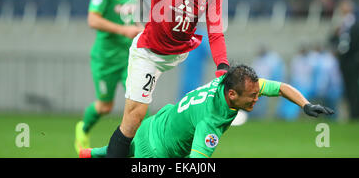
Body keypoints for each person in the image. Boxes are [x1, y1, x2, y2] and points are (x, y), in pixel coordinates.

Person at [104, 0, 230, 157]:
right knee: (134, 119)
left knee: (189, 122)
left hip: (180, 52)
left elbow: (216, 32)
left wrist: (222, 66)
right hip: (149, 53)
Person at [79, 64, 334, 158]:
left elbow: (280, 88)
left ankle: (86, 154)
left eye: (258, 93)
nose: (258, 99)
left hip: (153, 125)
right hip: (157, 153)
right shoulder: (210, 122)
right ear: (232, 95)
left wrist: (305, 104)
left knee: (106, 153)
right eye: (253, 97)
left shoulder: (229, 83)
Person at [74, 0, 144, 154]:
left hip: (130, 58)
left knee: (140, 106)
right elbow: (92, 20)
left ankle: (139, 149)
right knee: (105, 106)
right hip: (106, 58)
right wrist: (124, 31)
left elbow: (134, 18)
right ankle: (83, 128)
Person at [329, 0, 359, 120]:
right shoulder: (340, 25)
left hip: (354, 61)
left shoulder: (355, 23)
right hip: (344, 61)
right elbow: (332, 40)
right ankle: (353, 114)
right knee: (347, 88)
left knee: (354, 88)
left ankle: (358, 114)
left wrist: (358, 58)